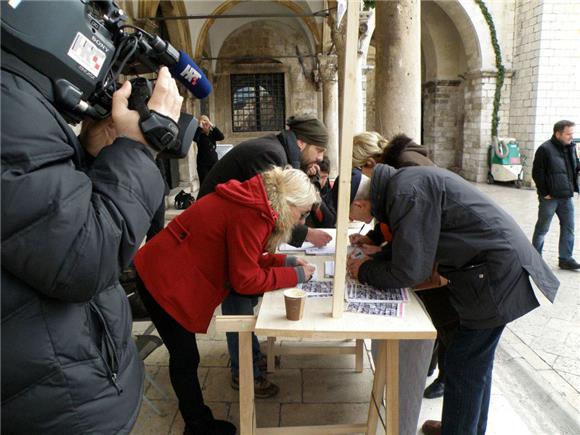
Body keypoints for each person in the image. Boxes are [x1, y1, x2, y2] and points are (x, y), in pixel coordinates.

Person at [1, 37, 183, 434]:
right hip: (51, 404)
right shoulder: (6, 99)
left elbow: (39, 221)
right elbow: (81, 257)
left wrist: (91, 157)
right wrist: (139, 148)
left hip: (70, 382)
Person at [346, 163, 559, 435]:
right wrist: (377, 257)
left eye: (353, 214)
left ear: (360, 203)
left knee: (464, 363)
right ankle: (461, 428)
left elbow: (411, 270)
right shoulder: (402, 186)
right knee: (473, 365)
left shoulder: (405, 193)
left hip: (494, 274)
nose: (358, 220)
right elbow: (415, 245)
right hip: (489, 268)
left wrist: (364, 269)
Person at [134, 167, 319, 434]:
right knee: (185, 357)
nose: (301, 221)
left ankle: (197, 420)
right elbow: (245, 279)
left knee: (185, 356)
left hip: (166, 268)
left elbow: (246, 256)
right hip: (162, 277)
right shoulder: (254, 213)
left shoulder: (256, 202)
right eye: (302, 213)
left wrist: (285, 261)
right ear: (288, 202)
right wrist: (294, 275)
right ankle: (197, 425)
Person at [198, 114, 332, 397]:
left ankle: (251, 357)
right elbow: (277, 212)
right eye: (319, 150)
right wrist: (303, 241)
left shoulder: (277, 150)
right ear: (302, 142)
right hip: (215, 235)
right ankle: (245, 373)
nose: (319, 157)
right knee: (238, 297)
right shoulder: (270, 154)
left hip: (223, 231)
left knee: (242, 295)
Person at [350, 132, 458, 401]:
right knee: (436, 316)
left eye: (361, 169)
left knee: (446, 321)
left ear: (371, 163)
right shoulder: (398, 172)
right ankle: (431, 366)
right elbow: (392, 220)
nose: (364, 176)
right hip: (431, 255)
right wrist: (376, 240)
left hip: (443, 259)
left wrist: (370, 266)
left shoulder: (407, 173)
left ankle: (443, 374)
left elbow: (412, 231)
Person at [532, 120, 580, 270]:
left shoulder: (571, 148)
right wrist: (544, 193)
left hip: (566, 197)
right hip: (550, 199)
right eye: (568, 133)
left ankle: (565, 259)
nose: (571, 136)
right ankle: (535, 258)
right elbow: (537, 173)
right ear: (558, 133)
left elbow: (574, 169)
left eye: (572, 133)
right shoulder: (544, 149)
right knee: (542, 229)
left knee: (569, 227)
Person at [195, 115, 224, 185]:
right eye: (203, 122)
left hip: (213, 161)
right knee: (204, 183)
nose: (205, 124)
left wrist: (212, 125)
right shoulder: (199, 134)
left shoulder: (212, 133)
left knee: (215, 182)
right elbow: (195, 139)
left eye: (206, 122)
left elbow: (221, 137)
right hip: (203, 163)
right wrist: (200, 127)